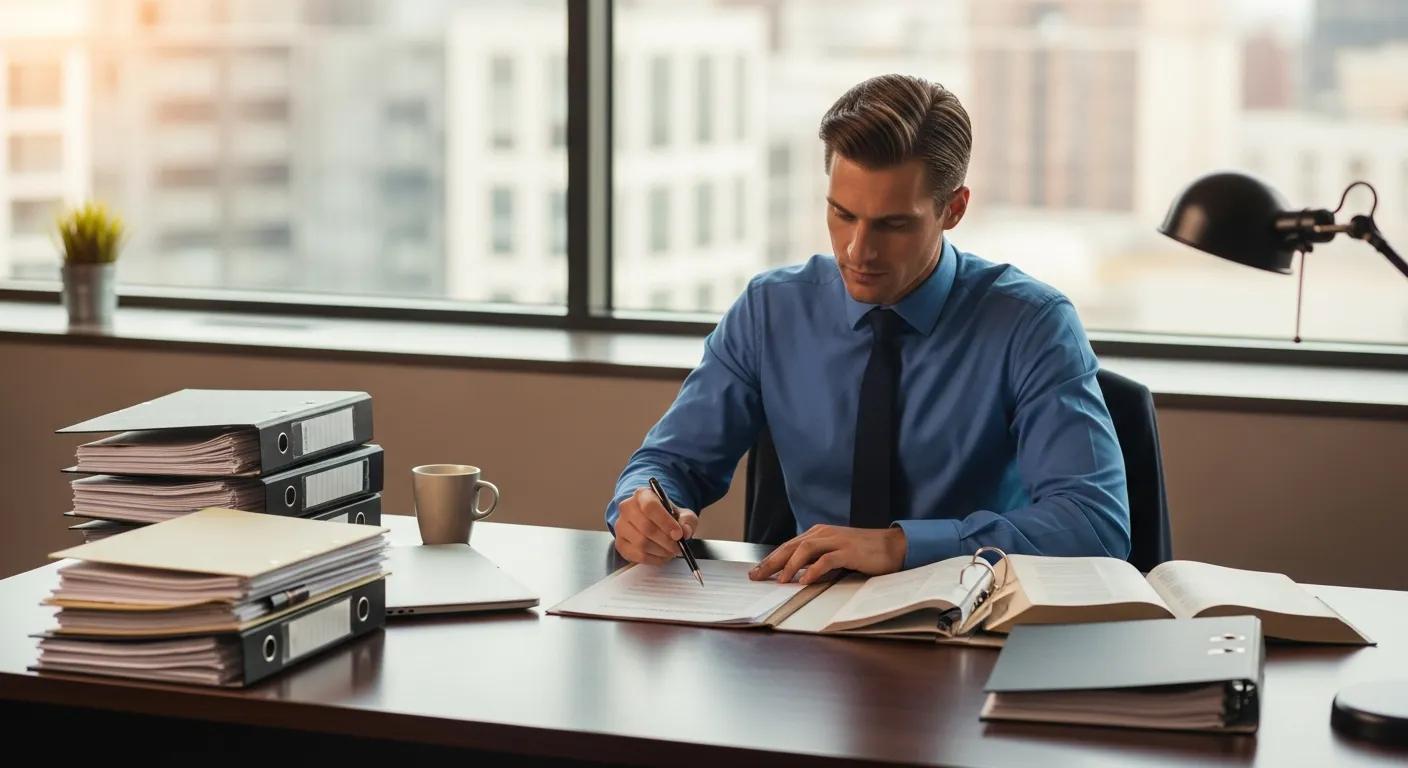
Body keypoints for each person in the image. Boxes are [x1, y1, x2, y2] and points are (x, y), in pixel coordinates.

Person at [605, 73, 1129, 586]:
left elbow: (1095, 525)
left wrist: (902, 546)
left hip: (969, 627)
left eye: (893, 224)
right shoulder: (771, 310)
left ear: (953, 209)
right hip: (803, 626)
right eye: (842, 214)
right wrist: (644, 506)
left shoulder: (1031, 324)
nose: (858, 251)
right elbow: (669, 462)